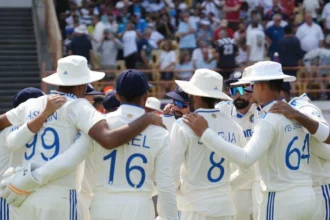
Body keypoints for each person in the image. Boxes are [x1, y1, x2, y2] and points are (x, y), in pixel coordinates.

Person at [0, 56, 164, 220]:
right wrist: (147, 118)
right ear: (82, 85)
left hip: (23, 194)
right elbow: (108, 140)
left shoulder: (34, 103)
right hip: (59, 196)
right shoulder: (79, 106)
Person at [183, 61, 318, 220]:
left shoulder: (268, 120)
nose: (248, 91)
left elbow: (246, 159)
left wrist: (206, 133)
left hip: (280, 198)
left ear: (261, 85)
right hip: (308, 195)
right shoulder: (295, 113)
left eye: (251, 85)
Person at [89, 69, 178, 220]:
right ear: (146, 96)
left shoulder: (99, 124)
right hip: (140, 206)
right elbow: (165, 186)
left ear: (117, 96)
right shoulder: (159, 132)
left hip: (102, 203)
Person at [171, 68, 253, 220]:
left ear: (195, 95)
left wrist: (181, 189)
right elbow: (248, 171)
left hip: (194, 208)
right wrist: (223, 189)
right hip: (225, 208)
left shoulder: (183, 124)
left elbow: (171, 174)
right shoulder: (233, 126)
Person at [0, 88, 58, 220]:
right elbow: (15, 141)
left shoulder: (31, 128)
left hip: (19, 194)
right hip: (6, 198)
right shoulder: (14, 128)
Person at [216, 69, 258, 220]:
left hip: (260, 183)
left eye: (242, 89)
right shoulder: (223, 109)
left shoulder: (260, 110)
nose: (238, 95)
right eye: (233, 90)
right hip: (236, 184)